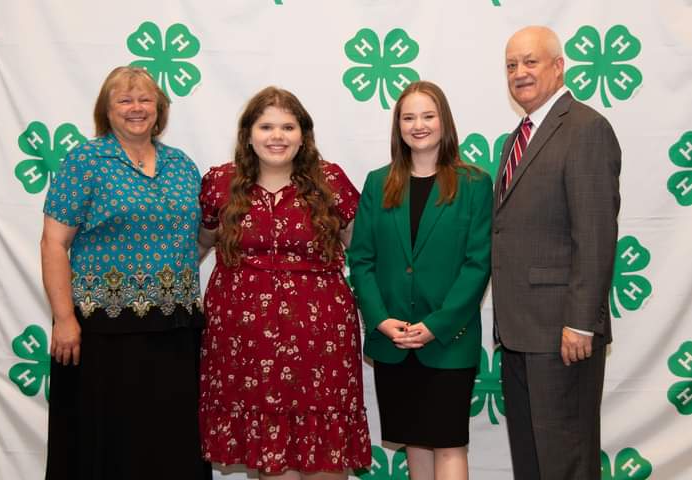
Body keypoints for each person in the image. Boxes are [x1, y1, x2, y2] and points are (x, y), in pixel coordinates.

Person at [40, 66, 206, 479]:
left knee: (169, 444)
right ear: (107, 110)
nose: (137, 108)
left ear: (159, 109)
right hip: (102, 334)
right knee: (104, 444)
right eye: (125, 100)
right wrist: (64, 319)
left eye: (145, 99)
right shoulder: (86, 161)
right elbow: (53, 243)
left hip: (176, 331)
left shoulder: (182, 165)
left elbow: (197, 239)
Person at [197, 86, 371, 479]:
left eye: (288, 126)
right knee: (270, 461)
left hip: (320, 341)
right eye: (266, 126)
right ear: (248, 134)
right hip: (245, 343)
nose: (277, 136)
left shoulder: (330, 181)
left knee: (324, 456)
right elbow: (198, 245)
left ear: (303, 134)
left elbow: (364, 250)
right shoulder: (220, 183)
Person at [493, 26, 621, 479]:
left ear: (558, 66)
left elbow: (596, 233)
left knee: (565, 461)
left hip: (562, 335)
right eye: (511, 65)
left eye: (531, 61)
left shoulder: (586, 128)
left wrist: (581, 322)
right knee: (532, 460)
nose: (520, 73)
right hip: (518, 332)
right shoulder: (518, 138)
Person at [347, 80, 492, 480]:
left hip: (448, 341)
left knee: (448, 444)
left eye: (428, 115)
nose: (418, 125)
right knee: (414, 441)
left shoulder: (475, 183)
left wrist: (435, 325)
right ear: (398, 126)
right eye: (408, 117)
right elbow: (361, 259)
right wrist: (379, 319)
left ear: (444, 122)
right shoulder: (378, 183)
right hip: (394, 339)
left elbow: (478, 265)